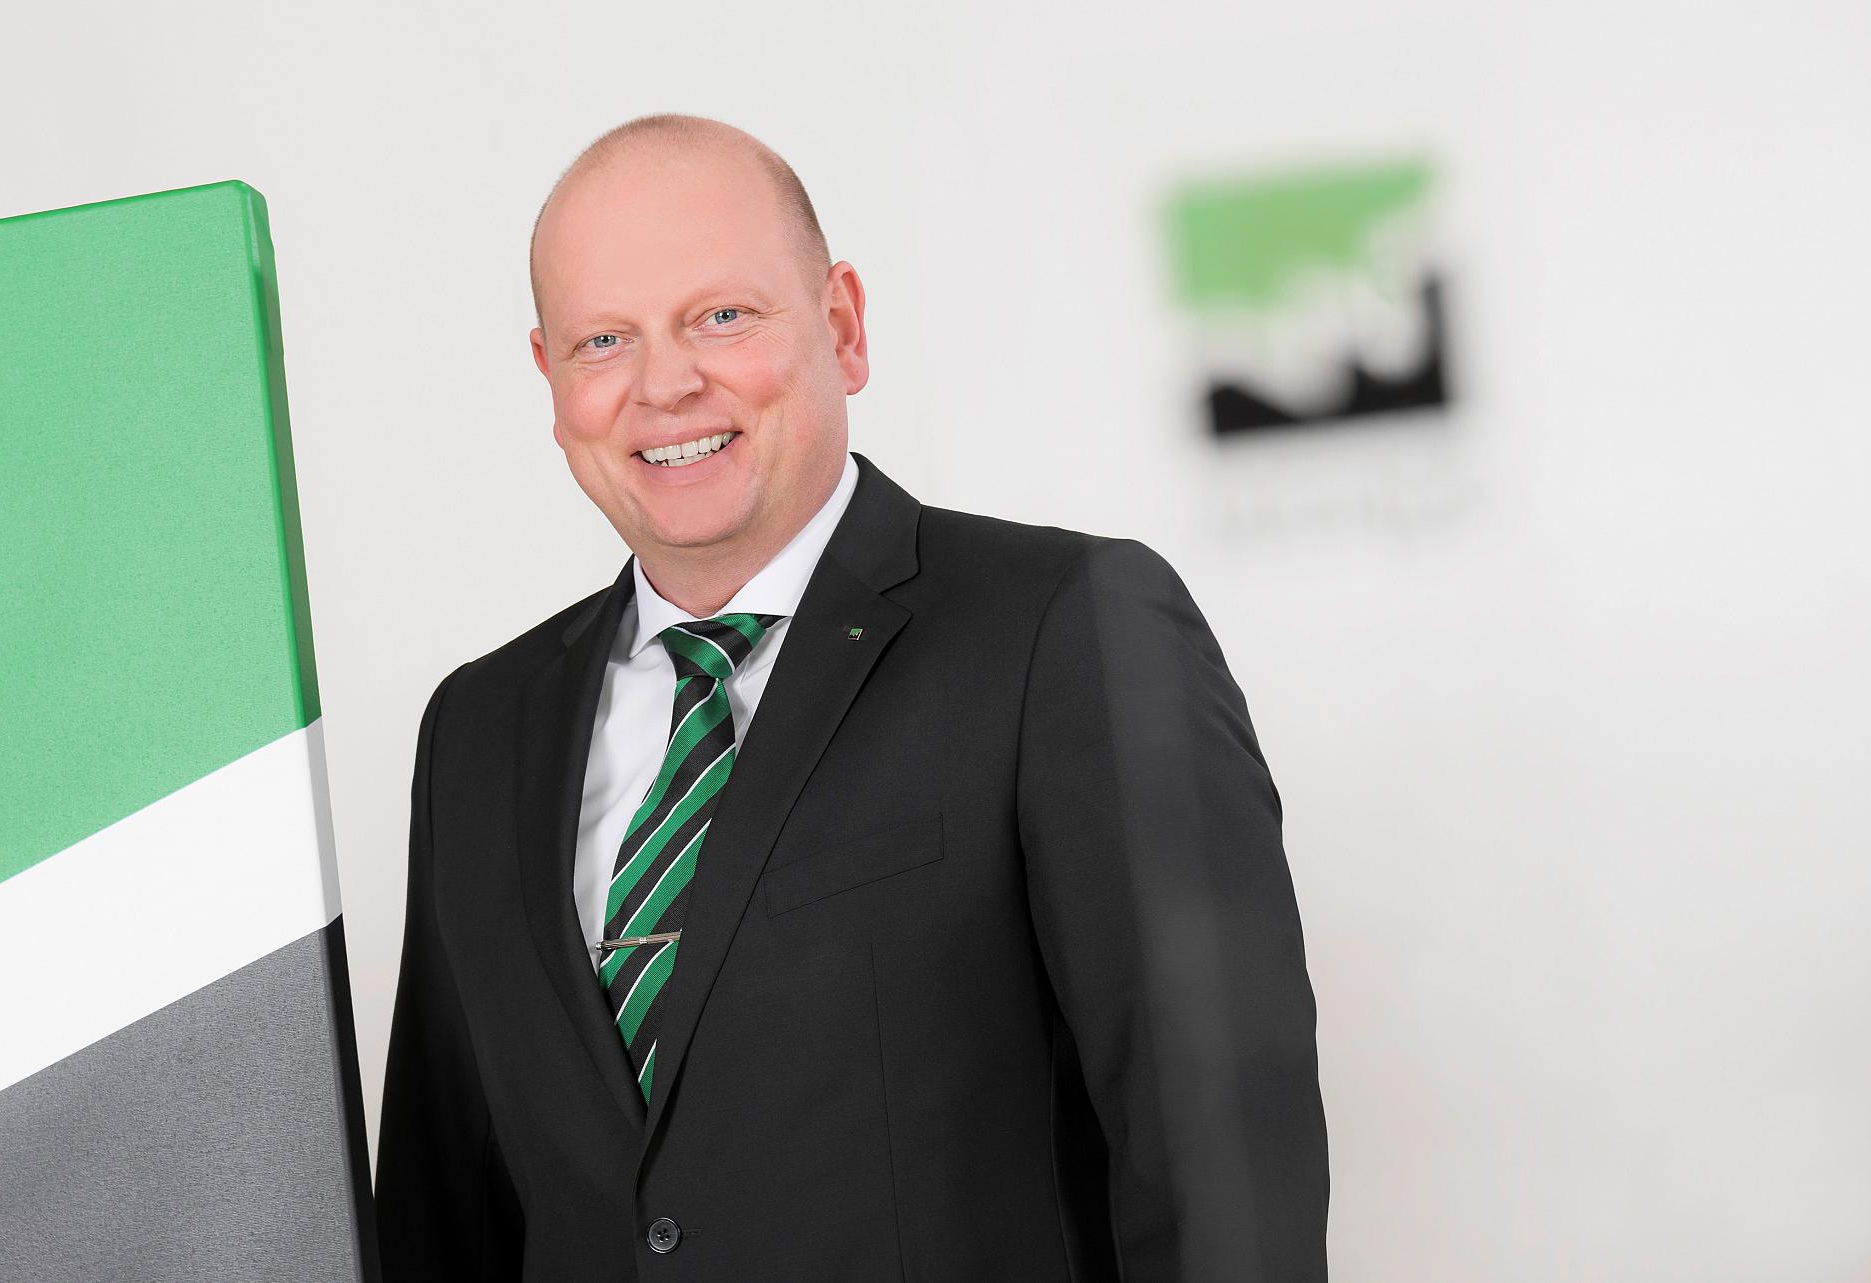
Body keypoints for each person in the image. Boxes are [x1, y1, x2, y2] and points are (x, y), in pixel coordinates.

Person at [375, 112, 1329, 1281]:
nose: (666, 384)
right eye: (604, 340)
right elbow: (439, 1219)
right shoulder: (477, 733)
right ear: (551, 378)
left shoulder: (1064, 631)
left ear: (842, 326)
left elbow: (1223, 1177)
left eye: (721, 316)